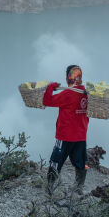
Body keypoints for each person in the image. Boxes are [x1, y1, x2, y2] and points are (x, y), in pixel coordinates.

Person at [43, 64, 89, 195]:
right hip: (81, 135)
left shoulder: (68, 93)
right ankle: (79, 187)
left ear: (68, 78)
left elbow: (47, 101)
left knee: (55, 161)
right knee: (82, 162)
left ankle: (50, 187)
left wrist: (51, 87)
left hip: (65, 136)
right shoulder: (87, 93)